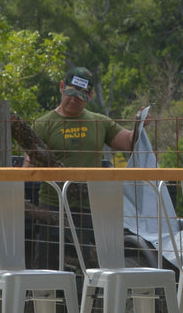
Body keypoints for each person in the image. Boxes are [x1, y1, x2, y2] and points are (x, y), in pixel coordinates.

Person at [26, 66, 135, 270]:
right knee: (47, 267)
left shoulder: (99, 122)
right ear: (61, 87)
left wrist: (140, 125)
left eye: (81, 96)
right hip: (52, 206)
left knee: (86, 267)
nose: (74, 100)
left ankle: (83, 300)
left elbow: (129, 141)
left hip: (88, 209)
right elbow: (28, 168)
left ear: (90, 96)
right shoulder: (42, 124)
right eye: (71, 93)